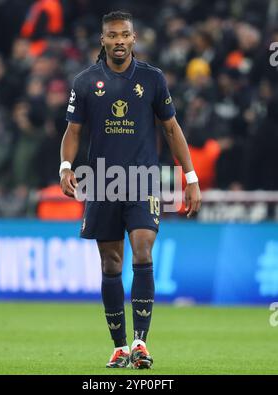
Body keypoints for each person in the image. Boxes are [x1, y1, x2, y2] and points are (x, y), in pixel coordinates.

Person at [59, 11, 201, 369]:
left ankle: (141, 342)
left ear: (134, 39)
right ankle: (120, 346)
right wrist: (65, 167)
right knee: (111, 262)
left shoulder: (152, 79)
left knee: (142, 252)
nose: (119, 40)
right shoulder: (86, 81)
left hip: (143, 180)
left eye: (125, 34)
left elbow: (171, 128)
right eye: (112, 35)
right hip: (103, 181)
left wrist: (191, 178)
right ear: (102, 40)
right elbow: (73, 131)